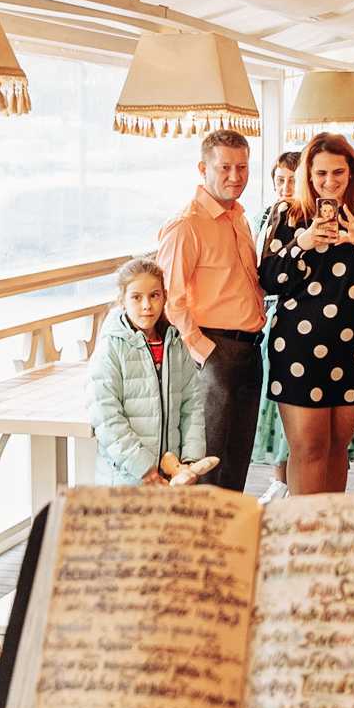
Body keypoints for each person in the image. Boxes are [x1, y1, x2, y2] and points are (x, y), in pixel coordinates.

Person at [257, 133, 354, 495]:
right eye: (321, 173)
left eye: (338, 172)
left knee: (338, 448)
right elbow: (269, 279)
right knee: (308, 448)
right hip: (299, 348)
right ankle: (304, 527)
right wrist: (302, 243)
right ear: (308, 174)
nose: (330, 181)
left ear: (352, 172)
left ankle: (329, 526)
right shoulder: (287, 214)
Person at [158, 129, 265, 493]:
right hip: (213, 351)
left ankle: (232, 528)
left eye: (242, 167)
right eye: (224, 167)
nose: (235, 176)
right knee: (205, 464)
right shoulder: (186, 223)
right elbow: (170, 298)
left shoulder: (239, 218)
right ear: (203, 169)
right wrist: (204, 351)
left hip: (249, 350)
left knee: (237, 460)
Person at [86, 258, 207, 486]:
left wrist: (190, 461)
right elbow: (105, 416)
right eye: (136, 297)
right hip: (124, 480)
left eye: (154, 295)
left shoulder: (175, 345)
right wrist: (142, 466)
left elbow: (192, 406)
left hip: (170, 477)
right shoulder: (110, 349)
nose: (147, 305)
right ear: (122, 301)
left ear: (165, 297)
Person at [251, 153, 300, 500]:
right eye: (280, 180)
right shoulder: (264, 217)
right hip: (268, 312)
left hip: (299, 311)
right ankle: (279, 479)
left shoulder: (311, 217)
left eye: (292, 180)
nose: (286, 187)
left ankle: (299, 481)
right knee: (272, 400)